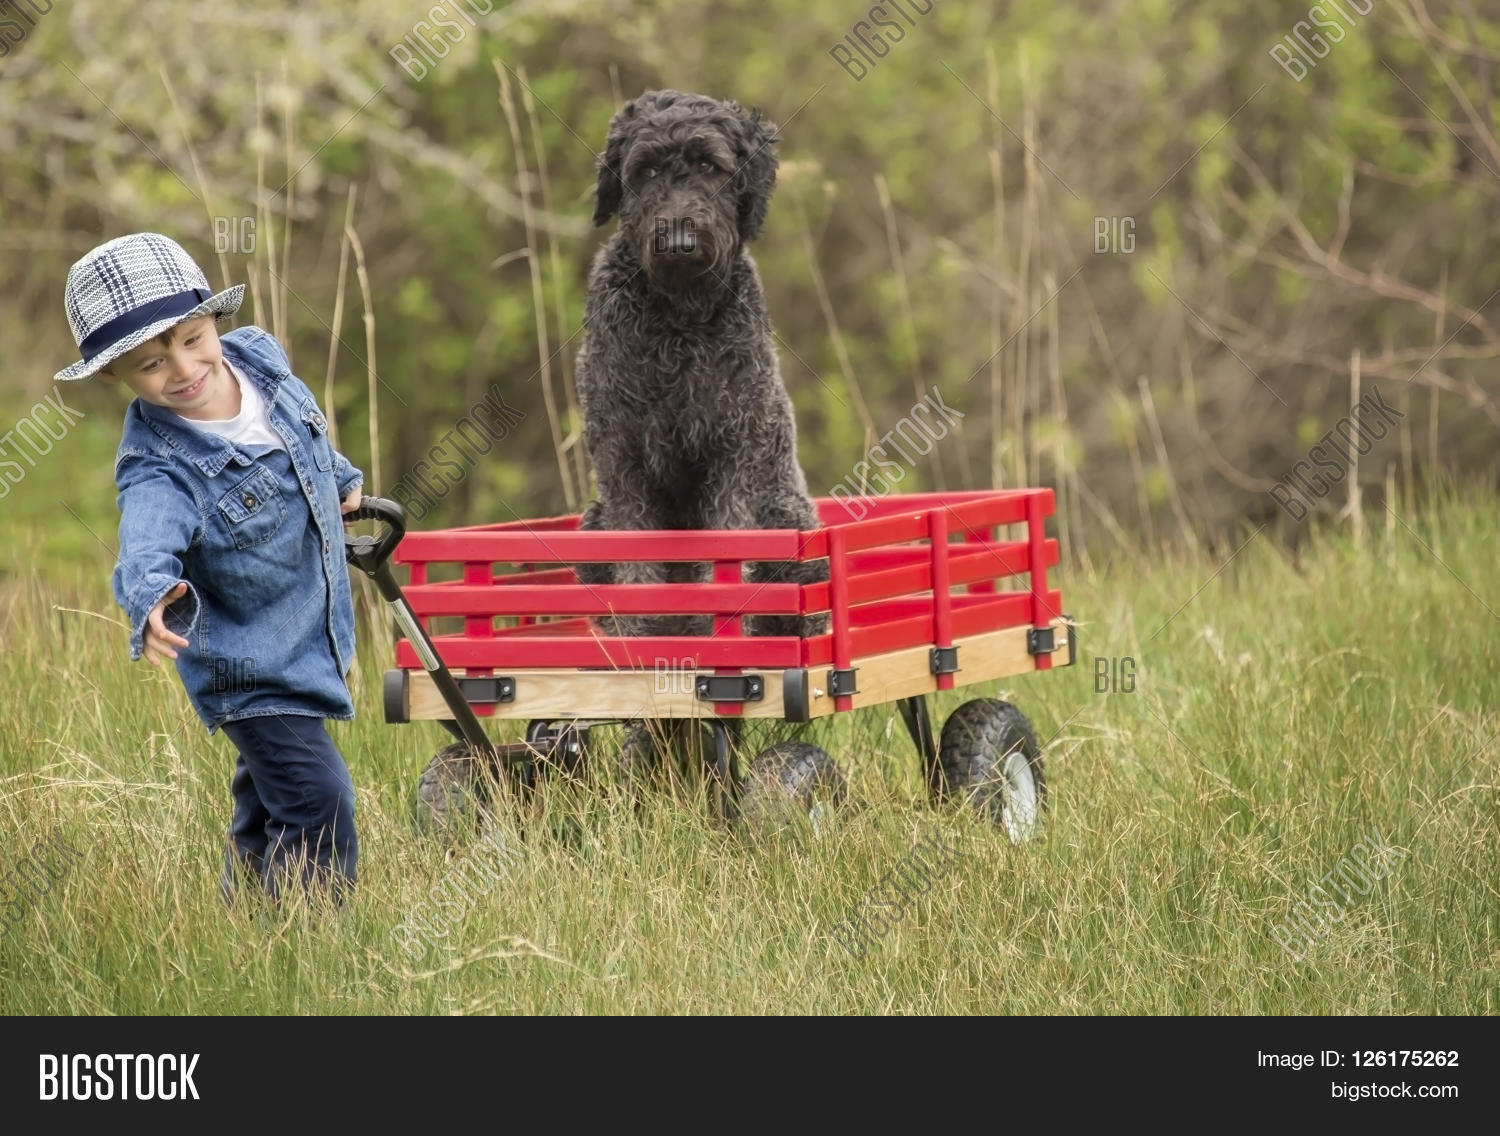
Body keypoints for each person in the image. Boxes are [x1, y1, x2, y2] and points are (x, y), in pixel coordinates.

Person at [55, 231, 365, 905]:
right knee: (318, 802)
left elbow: (304, 430)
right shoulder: (159, 465)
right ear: (117, 375)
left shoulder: (259, 360)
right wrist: (152, 593)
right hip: (247, 669)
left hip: (310, 640)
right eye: (150, 362)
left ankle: (248, 923)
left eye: (193, 339)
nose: (184, 368)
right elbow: (146, 538)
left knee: (265, 802)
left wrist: (340, 480)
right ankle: (308, 948)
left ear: (213, 321)